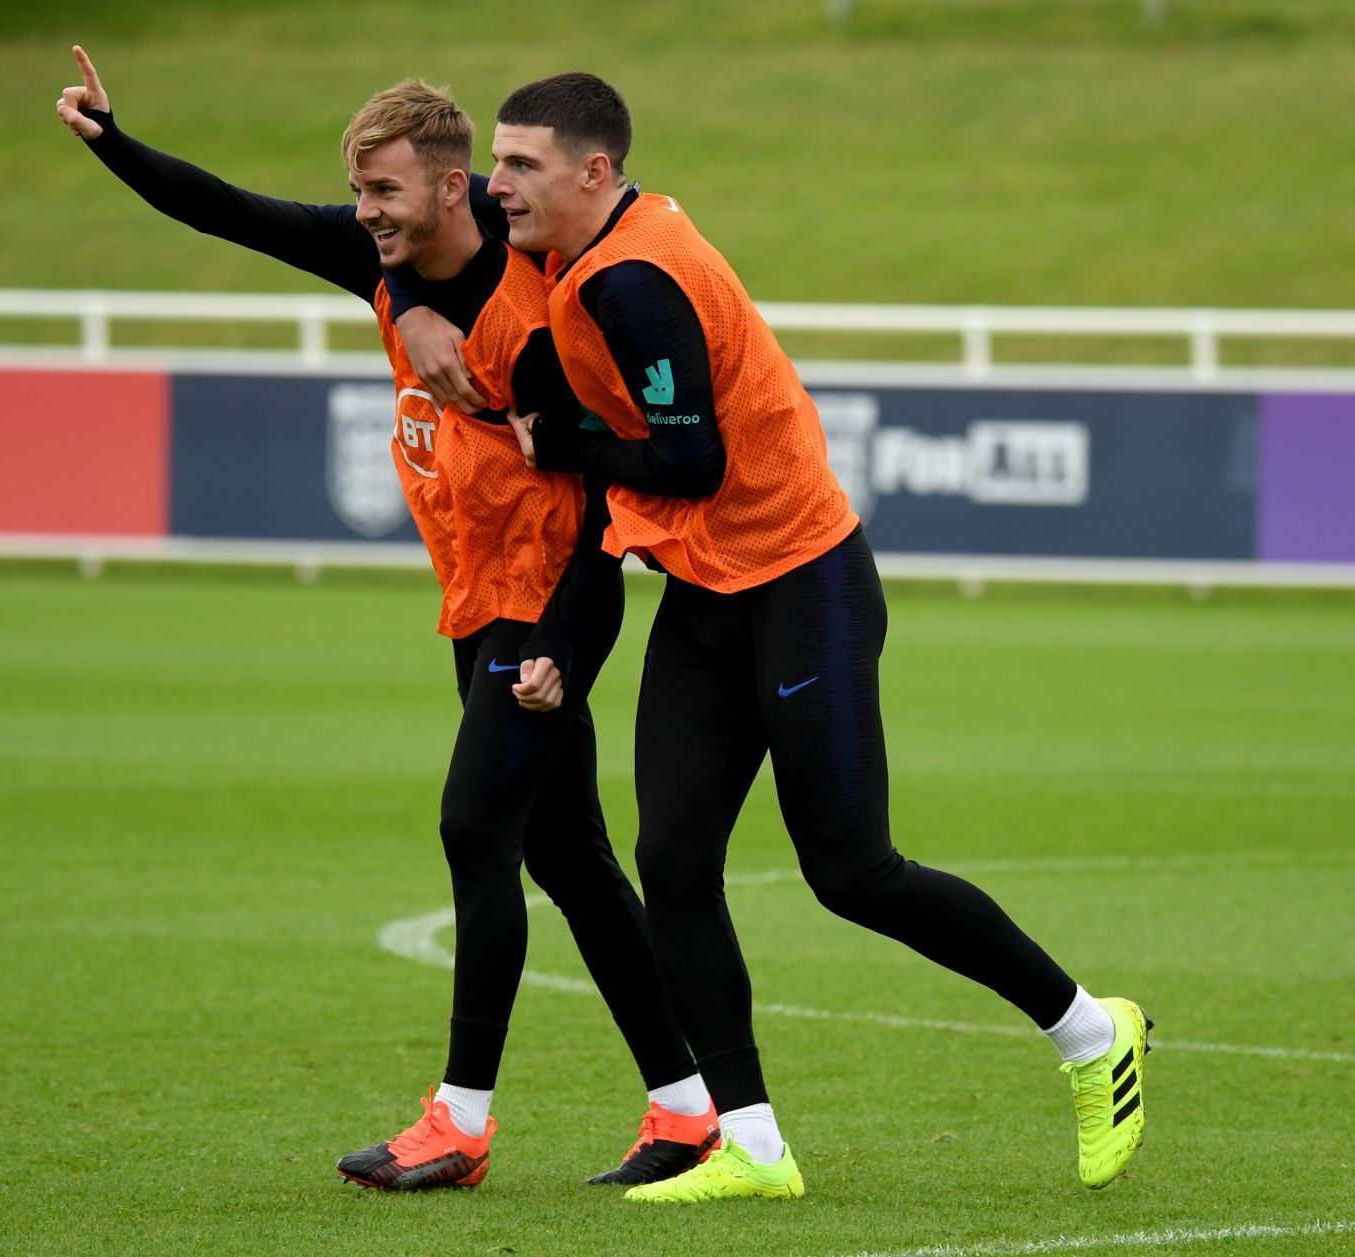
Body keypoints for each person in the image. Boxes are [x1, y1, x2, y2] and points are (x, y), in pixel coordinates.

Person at [386, 72, 1151, 1204]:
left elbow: (690, 463)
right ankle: (750, 1144)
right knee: (673, 861)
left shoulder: (637, 280)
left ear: (594, 174)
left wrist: (566, 443)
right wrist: (407, 301)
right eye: (495, 164)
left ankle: (1094, 1034)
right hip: (706, 587)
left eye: (522, 167)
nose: (497, 188)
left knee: (853, 871)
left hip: (804, 581)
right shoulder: (564, 246)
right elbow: (383, 241)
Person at [54, 50, 723, 1191]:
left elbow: (600, 507)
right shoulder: (387, 265)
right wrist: (116, 143)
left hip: (539, 603)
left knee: (477, 831)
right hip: (475, 604)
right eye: (358, 196)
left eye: (386, 196)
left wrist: (565, 642)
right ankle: (687, 1111)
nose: (364, 216)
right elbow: (232, 215)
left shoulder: (547, 314)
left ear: (455, 189)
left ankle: (459, 1123)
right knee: (570, 857)